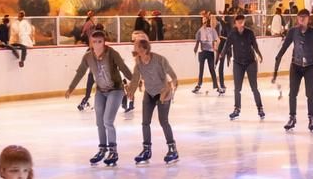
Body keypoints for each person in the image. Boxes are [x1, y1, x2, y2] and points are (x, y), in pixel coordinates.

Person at [66, 28, 132, 165]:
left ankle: (113, 150)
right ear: (90, 42)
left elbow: (123, 68)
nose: (97, 44)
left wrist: (135, 81)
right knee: (99, 123)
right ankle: (102, 149)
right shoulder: (88, 57)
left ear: (104, 42)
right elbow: (80, 73)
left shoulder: (112, 53)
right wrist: (71, 88)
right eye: (94, 41)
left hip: (115, 90)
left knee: (108, 121)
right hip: (101, 91)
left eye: (100, 42)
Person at [125, 33, 181, 163]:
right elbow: (135, 79)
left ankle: (173, 149)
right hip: (149, 93)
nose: (134, 49)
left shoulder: (159, 59)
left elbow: (172, 74)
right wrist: (131, 91)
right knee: (145, 122)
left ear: (143, 49)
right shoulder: (138, 62)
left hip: (163, 92)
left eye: (136, 46)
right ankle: (146, 150)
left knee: (163, 121)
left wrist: (172, 84)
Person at [273, 8, 313, 132]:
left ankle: (311, 118)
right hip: (296, 66)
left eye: (304, 17)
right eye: (300, 17)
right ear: (297, 18)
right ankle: (292, 118)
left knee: (309, 93)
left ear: (308, 19)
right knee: (293, 93)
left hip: (310, 66)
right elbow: (285, 45)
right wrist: (279, 56)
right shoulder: (293, 32)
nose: (302, 19)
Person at [225, 14, 265, 121]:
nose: (240, 24)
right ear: (235, 23)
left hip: (250, 62)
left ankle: (260, 108)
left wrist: (259, 54)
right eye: (238, 22)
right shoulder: (232, 33)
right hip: (238, 63)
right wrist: (223, 55)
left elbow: (255, 45)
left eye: (242, 22)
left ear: (244, 22)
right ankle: (237, 109)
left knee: (254, 87)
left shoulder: (249, 32)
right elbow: (227, 45)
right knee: (237, 88)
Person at [193, 11, 222, 94]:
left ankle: (217, 86)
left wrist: (217, 50)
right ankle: (199, 85)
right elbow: (197, 41)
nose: (204, 22)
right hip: (202, 52)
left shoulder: (212, 30)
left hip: (210, 52)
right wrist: (195, 49)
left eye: (205, 20)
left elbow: (216, 41)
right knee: (201, 69)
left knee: (212, 69)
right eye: (203, 20)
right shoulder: (200, 30)